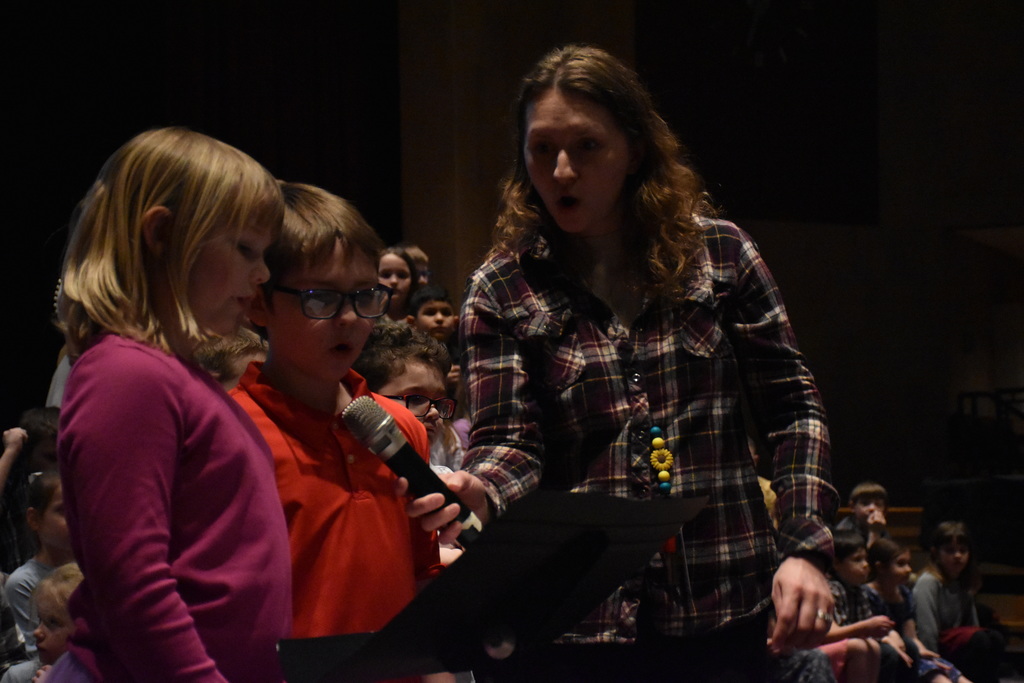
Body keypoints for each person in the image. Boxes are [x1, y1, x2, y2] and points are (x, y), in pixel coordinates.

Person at [403, 44, 838, 681]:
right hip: (573, 619)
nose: (561, 170)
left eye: (586, 147)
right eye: (541, 149)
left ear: (634, 151)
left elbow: (794, 410)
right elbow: (509, 443)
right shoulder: (502, 285)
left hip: (720, 604)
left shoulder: (719, 254)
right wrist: (482, 486)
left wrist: (805, 550)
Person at [53, 126, 292, 682]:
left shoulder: (177, 378)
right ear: (161, 234)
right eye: (245, 249)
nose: (261, 275)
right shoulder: (128, 374)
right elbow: (133, 584)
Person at [231, 182, 443, 646]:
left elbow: (421, 588)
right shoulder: (228, 435)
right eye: (320, 298)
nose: (349, 318)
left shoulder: (399, 428)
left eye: (365, 296)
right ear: (260, 303)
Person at [866, 537, 970, 683]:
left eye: (909, 563)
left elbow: (912, 636)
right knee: (940, 679)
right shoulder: (868, 594)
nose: (908, 569)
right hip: (888, 649)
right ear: (880, 567)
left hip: (910, 651)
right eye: (901, 564)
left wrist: (923, 652)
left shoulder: (904, 593)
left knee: (958, 677)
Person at [913, 522, 1005, 683]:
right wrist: (934, 666)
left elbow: (972, 626)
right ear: (935, 553)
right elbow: (926, 630)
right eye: (950, 551)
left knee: (994, 638)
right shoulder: (928, 582)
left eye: (963, 551)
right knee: (980, 641)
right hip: (938, 649)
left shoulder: (963, 581)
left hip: (957, 645)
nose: (957, 556)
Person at [826, 529, 907, 682]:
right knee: (886, 652)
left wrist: (888, 635)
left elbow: (867, 627)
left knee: (902, 647)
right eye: (857, 560)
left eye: (865, 560)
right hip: (839, 645)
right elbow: (838, 634)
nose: (865, 566)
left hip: (857, 641)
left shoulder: (860, 590)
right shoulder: (832, 589)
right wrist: (868, 628)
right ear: (836, 563)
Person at [4, 473, 72, 654]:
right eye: (63, 511)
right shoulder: (22, 582)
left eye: (80, 507)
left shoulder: (95, 567)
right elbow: (38, 651)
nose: (75, 518)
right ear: (34, 519)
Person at [2, 563, 84, 683]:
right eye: (40, 619)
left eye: (53, 622)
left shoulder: (111, 674)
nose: (37, 632)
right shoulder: (18, 678)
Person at [1, 409, 60, 575]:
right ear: (28, 455)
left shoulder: (72, 481)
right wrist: (11, 450)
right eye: (50, 458)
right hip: (15, 585)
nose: (58, 468)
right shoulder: (14, 483)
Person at [836, 480, 890, 547]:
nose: (872, 508)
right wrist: (874, 533)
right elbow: (869, 557)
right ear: (852, 507)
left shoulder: (881, 529)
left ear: (885, 510)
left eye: (878, 504)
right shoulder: (844, 531)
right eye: (865, 503)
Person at [379, 245, 420, 321]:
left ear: (412, 280)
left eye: (402, 275)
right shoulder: (363, 319)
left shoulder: (422, 319)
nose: (394, 281)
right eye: (386, 275)